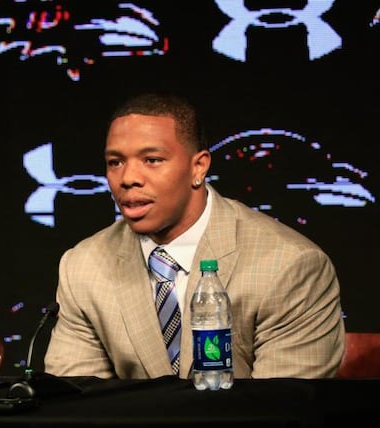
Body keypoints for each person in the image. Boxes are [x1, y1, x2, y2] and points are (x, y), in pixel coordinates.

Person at [43, 91, 345, 379]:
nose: (128, 178)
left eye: (152, 160)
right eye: (115, 162)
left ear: (198, 167)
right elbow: (77, 405)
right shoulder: (83, 267)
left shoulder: (290, 266)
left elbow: (280, 411)